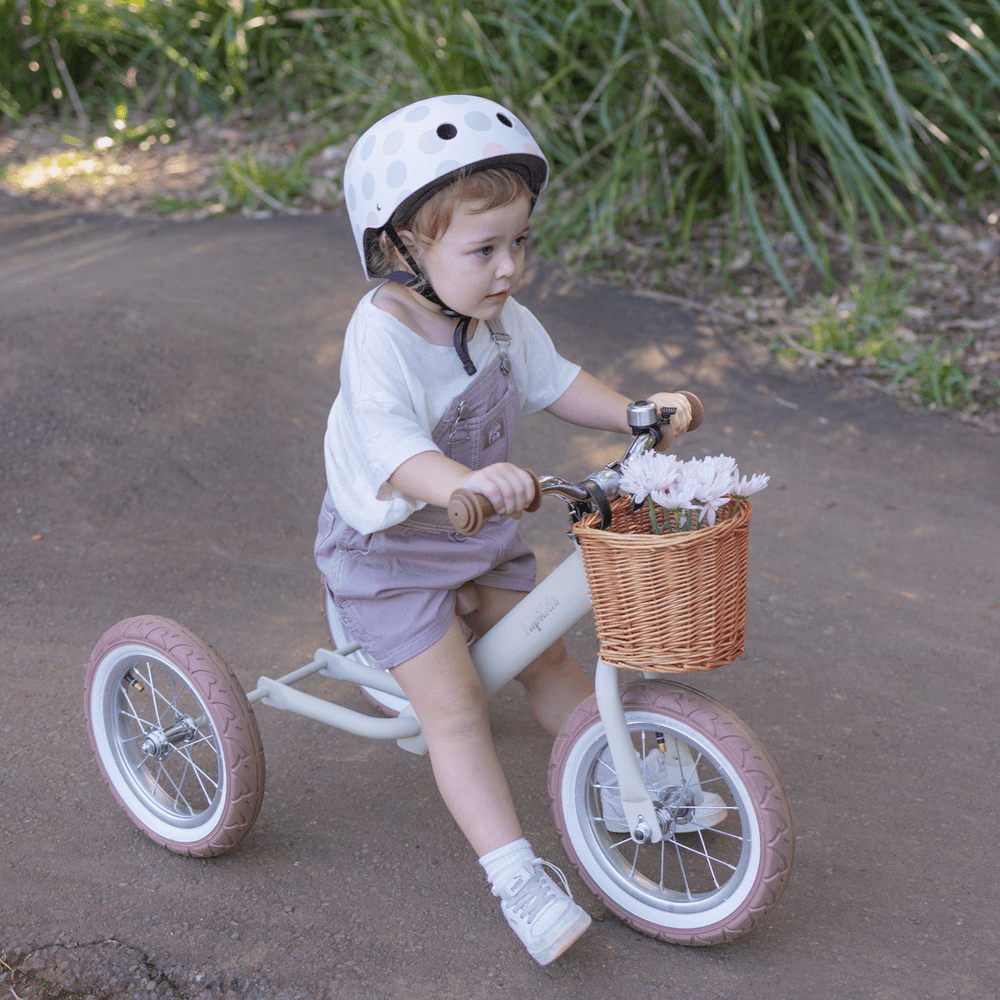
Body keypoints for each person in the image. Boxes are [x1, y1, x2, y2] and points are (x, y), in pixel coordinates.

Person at [315, 94, 692, 965]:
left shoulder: (497, 321)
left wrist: (635, 410)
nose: (509, 267)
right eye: (483, 250)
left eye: (520, 241)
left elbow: (556, 381)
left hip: (473, 537)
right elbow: (399, 454)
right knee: (452, 712)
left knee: (548, 657)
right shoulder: (380, 337)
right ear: (399, 247)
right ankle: (514, 872)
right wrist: (468, 478)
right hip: (393, 557)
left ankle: (633, 771)